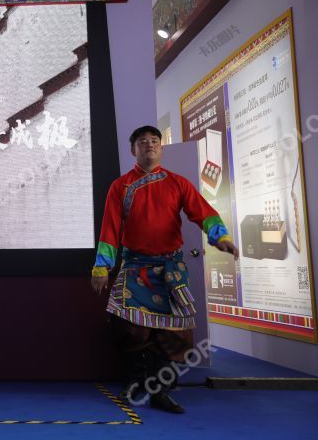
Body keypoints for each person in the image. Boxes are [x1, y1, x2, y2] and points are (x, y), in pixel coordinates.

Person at [91, 126, 238, 414]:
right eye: (142, 142)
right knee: (131, 331)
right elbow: (109, 228)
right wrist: (101, 267)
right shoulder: (120, 186)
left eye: (154, 141)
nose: (149, 146)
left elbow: (203, 211)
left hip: (170, 270)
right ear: (133, 150)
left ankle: (161, 391)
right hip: (134, 268)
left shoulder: (178, 183)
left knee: (175, 336)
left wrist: (219, 237)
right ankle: (134, 383)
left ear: (161, 148)